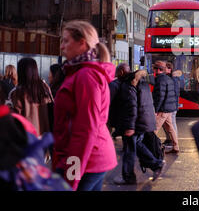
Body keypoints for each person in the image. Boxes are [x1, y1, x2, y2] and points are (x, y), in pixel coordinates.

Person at [52, 20, 117, 191]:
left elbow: (85, 129)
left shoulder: (86, 76)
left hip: (86, 161)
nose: (62, 47)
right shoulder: (81, 72)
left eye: (66, 41)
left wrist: (71, 177)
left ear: (82, 43)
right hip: (89, 159)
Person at [114, 70, 165, 184]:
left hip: (136, 122)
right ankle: (157, 164)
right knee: (137, 145)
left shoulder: (129, 84)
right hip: (144, 120)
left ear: (122, 72)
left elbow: (132, 106)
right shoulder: (143, 83)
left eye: (117, 73)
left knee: (129, 149)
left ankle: (128, 177)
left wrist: (130, 126)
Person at [8, 58, 53, 136]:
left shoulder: (16, 93)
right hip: (44, 139)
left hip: (27, 140)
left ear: (20, 72)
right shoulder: (45, 89)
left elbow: (13, 120)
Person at [152, 61, 179, 154]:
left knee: (154, 128)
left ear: (158, 70)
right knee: (170, 128)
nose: (153, 70)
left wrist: (156, 110)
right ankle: (176, 146)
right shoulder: (168, 79)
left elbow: (160, 96)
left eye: (154, 68)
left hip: (163, 109)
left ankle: (149, 148)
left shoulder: (160, 80)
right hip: (169, 108)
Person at [108, 62, 131, 135]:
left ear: (121, 72)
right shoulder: (132, 83)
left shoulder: (113, 84)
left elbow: (108, 100)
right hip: (127, 116)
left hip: (113, 114)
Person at [162, 63, 180, 147]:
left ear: (169, 69)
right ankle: (170, 140)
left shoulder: (173, 79)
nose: (163, 70)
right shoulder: (170, 78)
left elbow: (175, 93)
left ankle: (173, 141)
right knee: (168, 124)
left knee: (171, 123)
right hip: (170, 105)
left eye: (165, 68)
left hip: (171, 105)